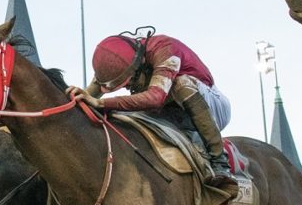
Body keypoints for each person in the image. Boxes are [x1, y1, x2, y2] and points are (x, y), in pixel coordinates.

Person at [69, 30, 238, 193]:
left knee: (181, 85)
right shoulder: (122, 57)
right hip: (172, 112)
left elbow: (155, 97)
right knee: (122, 116)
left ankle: (219, 160)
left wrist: (101, 102)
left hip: (214, 107)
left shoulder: (166, 49)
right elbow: (90, 94)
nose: (128, 87)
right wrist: (74, 102)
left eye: (130, 81)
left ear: (140, 64)